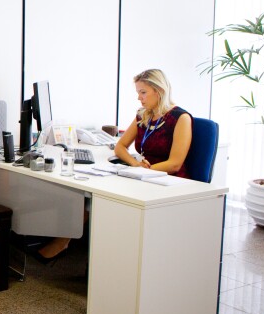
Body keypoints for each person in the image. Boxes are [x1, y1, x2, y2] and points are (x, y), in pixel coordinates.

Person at [36, 68, 192, 261]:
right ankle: (69, 242)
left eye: (143, 92)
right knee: (90, 192)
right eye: (138, 93)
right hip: (143, 175)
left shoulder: (180, 118)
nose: (139, 98)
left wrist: (142, 171)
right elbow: (120, 147)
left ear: (159, 91)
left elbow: (175, 164)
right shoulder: (145, 115)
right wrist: (134, 164)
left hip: (167, 181)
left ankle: (90, 249)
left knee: (104, 196)